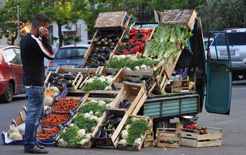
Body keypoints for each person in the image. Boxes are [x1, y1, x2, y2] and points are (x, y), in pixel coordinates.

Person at [20, 14, 54, 154]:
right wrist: (46, 38)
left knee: (36, 115)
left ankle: (32, 142)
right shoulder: (34, 40)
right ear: (40, 28)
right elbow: (51, 54)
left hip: (31, 81)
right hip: (34, 83)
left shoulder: (26, 39)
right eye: (46, 28)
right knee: (33, 116)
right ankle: (29, 145)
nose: (46, 31)